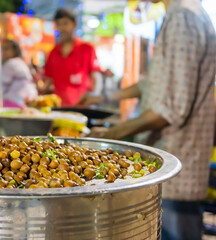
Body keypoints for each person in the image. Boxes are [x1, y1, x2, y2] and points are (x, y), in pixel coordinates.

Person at [80, 0, 216, 239]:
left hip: (176, 168)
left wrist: (111, 135)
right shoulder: (179, 14)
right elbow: (152, 82)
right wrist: (103, 97)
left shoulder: (183, 17)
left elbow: (170, 108)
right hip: (166, 162)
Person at [43, 8, 103, 107]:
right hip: (58, 109)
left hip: (82, 108)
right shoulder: (53, 53)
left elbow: (96, 77)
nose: (62, 28)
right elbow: (49, 82)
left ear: (74, 24)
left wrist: (94, 96)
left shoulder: (87, 49)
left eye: (65, 23)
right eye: (59, 24)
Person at [0, 40, 37, 106]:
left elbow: (0, 88)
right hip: (29, 98)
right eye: (3, 49)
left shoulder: (11, 63)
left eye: (7, 49)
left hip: (16, 101)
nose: (4, 52)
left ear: (14, 51)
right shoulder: (20, 62)